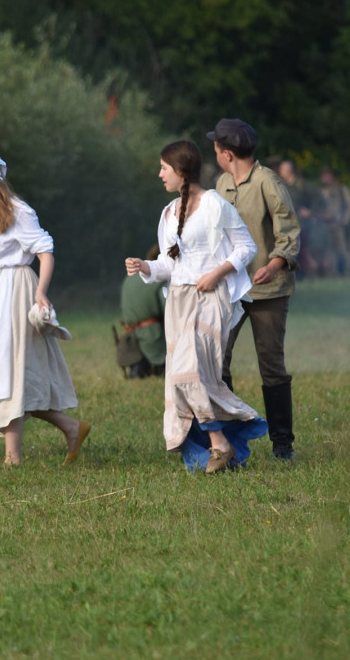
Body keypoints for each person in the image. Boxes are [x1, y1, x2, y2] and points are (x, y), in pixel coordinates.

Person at [125, 140, 267, 473]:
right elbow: (169, 265)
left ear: (181, 170)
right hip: (179, 301)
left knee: (190, 372)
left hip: (210, 298)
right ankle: (219, 445)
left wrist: (217, 273)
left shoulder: (214, 205)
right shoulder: (168, 213)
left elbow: (246, 248)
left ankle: (221, 443)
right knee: (183, 377)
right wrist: (145, 266)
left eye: (164, 168)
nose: (160, 174)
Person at [0, 143, 89, 466]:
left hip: (14, 290)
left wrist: (41, 292)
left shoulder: (17, 210)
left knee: (9, 369)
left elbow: (45, 251)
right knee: (0, 369)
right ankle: (71, 428)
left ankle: (12, 456)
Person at [211, 118, 302, 460]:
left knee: (271, 365)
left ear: (227, 154)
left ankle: (282, 444)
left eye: (216, 149)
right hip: (231, 289)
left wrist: (274, 264)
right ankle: (230, 439)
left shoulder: (268, 182)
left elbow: (288, 232)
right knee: (217, 360)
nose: (215, 155)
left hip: (268, 290)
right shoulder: (221, 183)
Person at [119, 245, 167, 378]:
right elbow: (169, 309)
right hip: (154, 336)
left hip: (130, 338)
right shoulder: (159, 279)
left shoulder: (129, 278)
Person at [278, 159, 323, 277]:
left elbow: (318, 198)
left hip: (301, 224)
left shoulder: (302, 185)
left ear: (289, 171)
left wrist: (310, 212)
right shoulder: (282, 186)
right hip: (287, 224)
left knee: (300, 250)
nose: (280, 172)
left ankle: (301, 274)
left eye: (283, 169)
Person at [318, 167, 350, 276]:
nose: (323, 178)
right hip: (324, 224)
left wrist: (345, 220)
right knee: (326, 250)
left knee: (341, 250)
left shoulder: (341, 189)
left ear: (331, 176)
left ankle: (341, 272)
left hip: (338, 224)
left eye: (325, 175)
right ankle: (328, 272)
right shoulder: (322, 191)